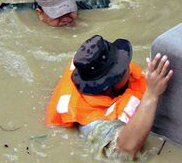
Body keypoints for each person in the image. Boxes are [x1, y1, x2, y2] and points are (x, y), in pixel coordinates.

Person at [45, 35, 173, 159]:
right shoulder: (91, 123)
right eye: (121, 69)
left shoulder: (90, 63)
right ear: (108, 84)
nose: (127, 65)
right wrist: (151, 94)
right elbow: (124, 151)